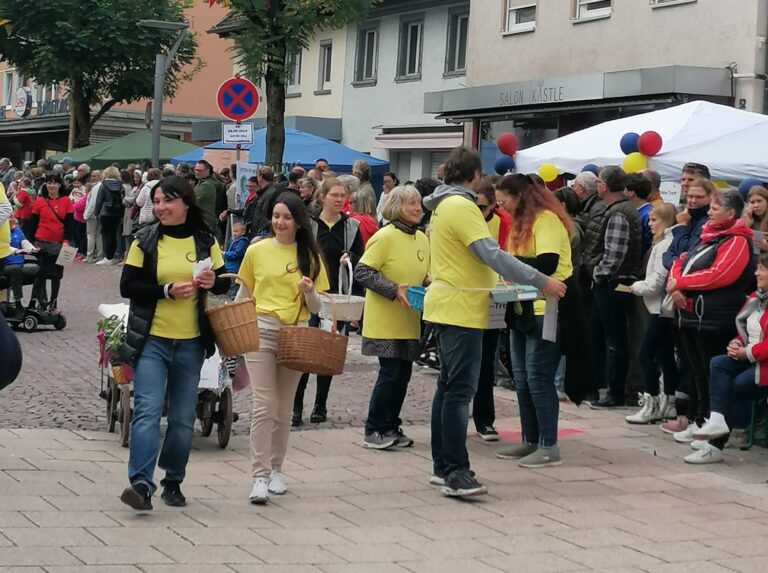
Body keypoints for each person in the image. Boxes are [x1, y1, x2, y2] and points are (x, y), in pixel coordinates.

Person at [422, 147, 566, 498]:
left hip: (451, 303)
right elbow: (491, 253)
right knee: (458, 392)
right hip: (461, 305)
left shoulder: (443, 205)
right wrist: (540, 280)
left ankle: (444, 466)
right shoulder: (461, 206)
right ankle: (455, 471)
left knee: (448, 388)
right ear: (475, 175)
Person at [118, 175, 230, 511]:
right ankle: (140, 483)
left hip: (191, 343)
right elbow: (128, 286)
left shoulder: (205, 239)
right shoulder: (145, 240)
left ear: (185, 202)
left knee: (182, 418)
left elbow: (223, 283)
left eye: (166, 200)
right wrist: (165, 291)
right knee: (148, 411)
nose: (159, 207)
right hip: (152, 339)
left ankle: (173, 480)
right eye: (156, 201)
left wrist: (213, 280)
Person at [238, 192, 330, 504]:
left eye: (286, 217)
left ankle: (276, 468)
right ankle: (259, 476)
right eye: (276, 216)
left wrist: (309, 291)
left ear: (298, 222)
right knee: (264, 404)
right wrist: (234, 331)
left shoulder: (310, 256)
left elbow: (318, 307)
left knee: (283, 406)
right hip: (261, 329)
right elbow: (243, 292)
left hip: (296, 333)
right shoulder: (257, 250)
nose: (279, 222)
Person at [492, 174, 573, 467]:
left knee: (539, 379)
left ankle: (548, 445)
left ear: (520, 196)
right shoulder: (519, 224)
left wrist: (507, 263)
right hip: (521, 308)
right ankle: (530, 439)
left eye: (504, 201)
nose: (502, 207)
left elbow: (548, 263)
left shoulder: (546, 219)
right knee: (523, 379)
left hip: (545, 309)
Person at [667, 185, 754, 443]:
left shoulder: (737, 240)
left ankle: (709, 424)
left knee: (708, 371)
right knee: (696, 373)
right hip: (691, 316)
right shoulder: (708, 235)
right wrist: (675, 286)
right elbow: (680, 261)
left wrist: (682, 284)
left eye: (715, 209)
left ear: (730, 214)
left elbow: (720, 274)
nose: (710, 213)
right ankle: (699, 419)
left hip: (714, 319)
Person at [356, 185, 430, 449]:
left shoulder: (422, 238)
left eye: (418, 203)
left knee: (402, 375)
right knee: (390, 374)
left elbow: (422, 273)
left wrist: (427, 281)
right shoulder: (384, 236)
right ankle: (373, 429)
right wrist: (393, 289)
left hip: (409, 320)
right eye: (411, 203)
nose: (417, 208)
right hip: (385, 321)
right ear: (398, 206)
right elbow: (363, 272)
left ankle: (390, 426)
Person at [292, 178, 364, 426]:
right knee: (304, 352)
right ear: (322, 197)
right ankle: (296, 406)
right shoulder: (309, 225)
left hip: (336, 298)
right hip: (310, 294)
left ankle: (320, 405)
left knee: (327, 353)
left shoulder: (351, 227)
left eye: (342, 195)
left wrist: (350, 256)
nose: (339, 199)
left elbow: (361, 259)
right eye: (334, 194)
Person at [687, 253, 768, 464]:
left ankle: (715, 445)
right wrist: (737, 342)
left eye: (762, 269)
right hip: (751, 357)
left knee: (735, 386)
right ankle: (716, 420)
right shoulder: (755, 299)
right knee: (718, 363)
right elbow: (744, 329)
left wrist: (747, 352)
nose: (756, 273)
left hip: (763, 363)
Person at [588, 166, 643, 409]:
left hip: (615, 281)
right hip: (616, 279)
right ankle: (604, 387)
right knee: (607, 337)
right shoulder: (621, 209)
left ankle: (615, 392)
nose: (597, 185)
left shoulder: (619, 213)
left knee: (614, 339)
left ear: (605, 186)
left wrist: (599, 273)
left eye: (599, 181)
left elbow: (614, 255)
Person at [625, 203, 679, 424]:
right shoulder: (664, 243)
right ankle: (668, 403)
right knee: (665, 355)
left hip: (660, 308)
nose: (650, 224)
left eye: (654, 220)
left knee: (645, 354)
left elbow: (656, 282)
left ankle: (652, 404)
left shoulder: (665, 245)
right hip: (660, 308)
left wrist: (636, 287)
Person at [471, 179, 509, 442]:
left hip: (492, 296)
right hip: (461, 296)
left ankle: (485, 419)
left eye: (483, 207)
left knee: (486, 361)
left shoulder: (503, 223)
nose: (478, 212)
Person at [27, 173, 74, 311]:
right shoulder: (40, 201)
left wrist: (66, 240)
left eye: (54, 183)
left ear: (59, 185)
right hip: (41, 241)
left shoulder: (66, 201)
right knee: (40, 274)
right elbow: (33, 223)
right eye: (49, 183)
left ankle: (53, 302)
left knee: (56, 276)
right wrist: (30, 242)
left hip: (58, 243)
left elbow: (70, 224)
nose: (51, 186)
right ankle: (38, 301)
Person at [2, 215, 36, 318]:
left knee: (39, 270)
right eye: (9, 216)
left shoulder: (17, 230)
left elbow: (25, 243)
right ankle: (18, 304)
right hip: (4, 266)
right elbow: (4, 246)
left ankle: (34, 302)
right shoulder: (2, 231)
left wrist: (33, 249)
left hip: (19, 266)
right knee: (15, 270)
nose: (12, 218)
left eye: (12, 215)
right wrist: (17, 251)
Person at [94, 166, 125, 266]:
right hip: (117, 212)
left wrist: (96, 212)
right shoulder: (121, 185)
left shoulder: (103, 185)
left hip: (105, 212)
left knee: (106, 235)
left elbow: (99, 200)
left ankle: (107, 256)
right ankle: (113, 256)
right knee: (114, 235)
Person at [193, 161, 221, 239]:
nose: (197, 172)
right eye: (196, 170)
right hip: (205, 221)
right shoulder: (204, 183)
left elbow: (193, 200)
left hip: (205, 222)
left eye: (200, 170)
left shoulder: (207, 185)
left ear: (207, 171)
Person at [743, 185, 768, 253]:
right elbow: (756, 250)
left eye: (759, 201)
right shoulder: (748, 219)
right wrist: (746, 225)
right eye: (752, 202)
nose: (756, 205)